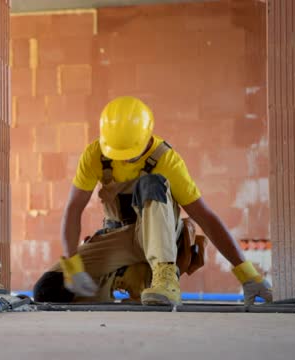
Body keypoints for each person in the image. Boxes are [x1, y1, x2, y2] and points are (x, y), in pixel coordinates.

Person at [32, 96, 273, 305]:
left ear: (146, 137)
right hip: (119, 236)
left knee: (151, 183)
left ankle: (163, 276)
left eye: (130, 154)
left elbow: (205, 217)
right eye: (117, 154)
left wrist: (248, 274)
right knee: (48, 289)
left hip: (161, 238)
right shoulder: (95, 155)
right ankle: (121, 281)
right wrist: (73, 266)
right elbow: (74, 210)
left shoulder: (167, 160)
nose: (123, 160)